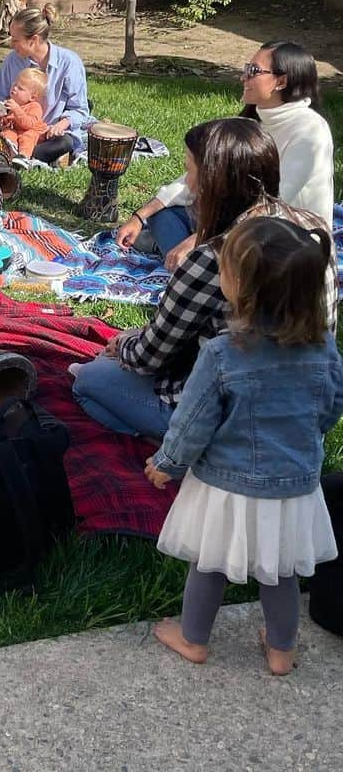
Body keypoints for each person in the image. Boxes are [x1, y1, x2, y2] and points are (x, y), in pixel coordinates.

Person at [146, 216, 342, 675]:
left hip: (225, 484)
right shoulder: (325, 348)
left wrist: (167, 463)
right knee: (282, 570)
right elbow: (331, 407)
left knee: (208, 563)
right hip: (294, 484)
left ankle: (193, 638)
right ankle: (281, 649)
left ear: (244, 289)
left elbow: (192, 421)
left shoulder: (221, 353)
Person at [73, 117, 334, 440]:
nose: (187, 182)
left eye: (189, 170)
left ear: (211, 183)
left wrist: (123, 342)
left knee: (89, 380)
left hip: (229, 419)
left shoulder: (216, 258)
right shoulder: (312, 227)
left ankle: (173, 445)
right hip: (298, 408)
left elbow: (149, 357)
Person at [116, 40, 334, 269]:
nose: (243, 77)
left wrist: (197, 240)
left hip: (280, 241)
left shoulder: (310, 132)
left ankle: (189, 262)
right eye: (246, 69)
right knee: (163, 215)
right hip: (233, 224)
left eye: (253, 71)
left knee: (204, 248)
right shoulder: (252, 123)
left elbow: (274, 208)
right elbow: (201, 175)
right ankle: (187, 259)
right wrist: (140, 216)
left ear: (281, 81)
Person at [0, 4, 92, 164]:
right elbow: (0, 96)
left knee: (65, 142)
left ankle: (14, 154)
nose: (11, 44)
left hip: (48, 133)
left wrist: (61, 125)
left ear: (34, 40)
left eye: (16, 40)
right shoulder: (11, 61)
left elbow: (80, 109)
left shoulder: (69, 62)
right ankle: (21, 154)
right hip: (15, 129)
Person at [0, 67, 48, 160]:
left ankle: (23, 156)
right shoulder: (7, 102)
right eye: (15, 84)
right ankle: (10, 149)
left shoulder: (34, 107)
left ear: (32, 97)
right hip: (15, 132)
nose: (15, 88)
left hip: (32, 131)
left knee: (27, 137)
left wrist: (17, 110)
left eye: (20, 88)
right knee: (7, 132)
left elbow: (29, 124)